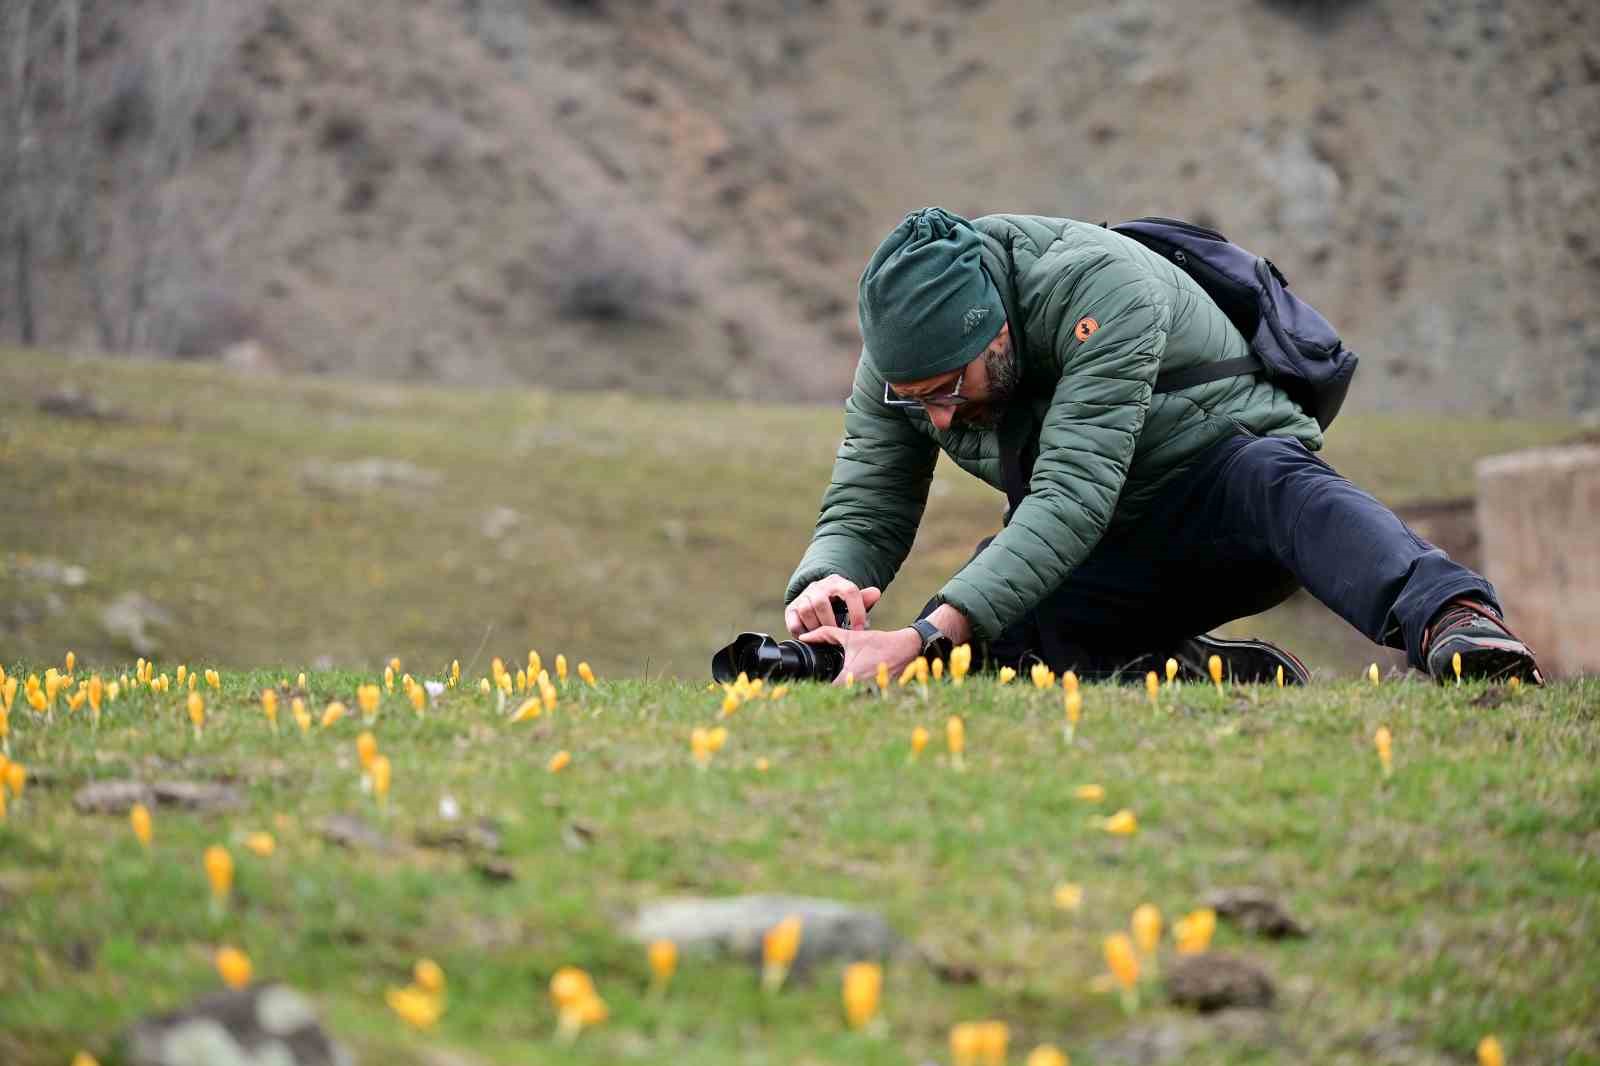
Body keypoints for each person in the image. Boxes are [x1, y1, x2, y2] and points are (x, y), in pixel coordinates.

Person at [782, 207, 1543, 685]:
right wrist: (829, 581)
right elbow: (869, 496)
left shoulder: (1099, 289)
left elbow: (1068, 501)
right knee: (982, 647)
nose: (941, 420)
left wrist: (918, 634)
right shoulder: (905, 360)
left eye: (952, 389)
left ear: (999, 330)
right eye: (919, 400)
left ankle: (1454, 617)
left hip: (1232, 517)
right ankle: (1190, 671)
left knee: (1270, 476)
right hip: (1108, 539)